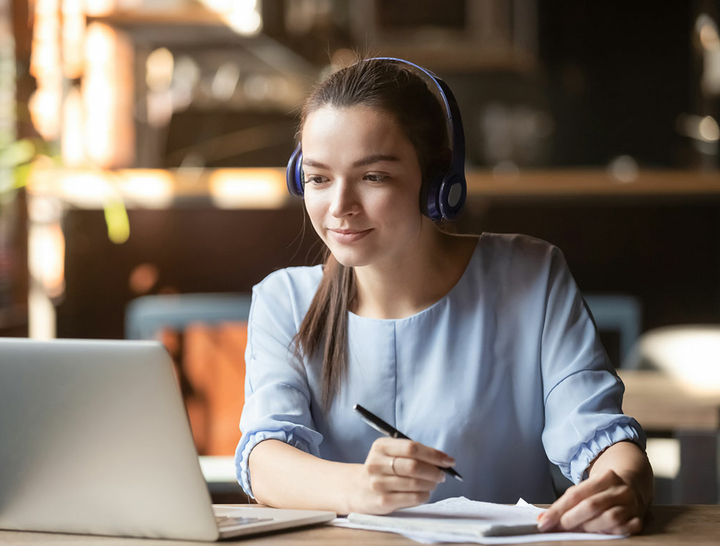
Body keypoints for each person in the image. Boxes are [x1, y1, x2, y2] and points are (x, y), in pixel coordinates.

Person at [235, 57, 653, 535]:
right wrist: (362, 489)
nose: (340, 207)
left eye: (374, 177)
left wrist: (626, 483)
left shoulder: (531, 276)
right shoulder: (283, 300)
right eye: (319, 178)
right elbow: (265, 459)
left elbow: (597, 434)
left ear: (437, 184)